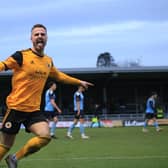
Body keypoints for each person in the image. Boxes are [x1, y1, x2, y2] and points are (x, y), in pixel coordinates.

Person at [0, 24, 93, 168]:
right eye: (36, 34)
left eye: (42, 34)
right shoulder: (21, 56)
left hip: (33, 110)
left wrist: (78, 81)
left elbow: (60, 76)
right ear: (31, 38)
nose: (39, 37)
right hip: (16, 108)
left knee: (45, 136)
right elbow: (3, 65)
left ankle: (14, 158)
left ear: (46, 38)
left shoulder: (48, 62)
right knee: (5, 145)